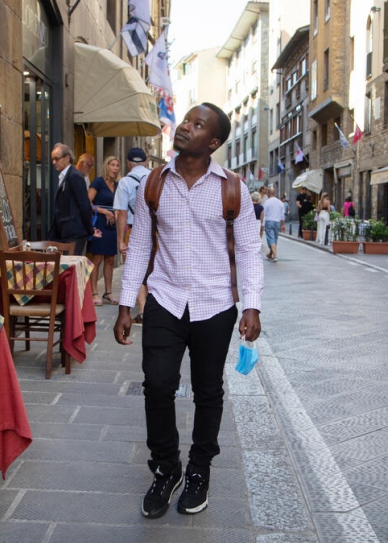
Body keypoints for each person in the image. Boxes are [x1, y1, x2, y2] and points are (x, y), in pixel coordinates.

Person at [113, 102, 262, 519]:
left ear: (213, 142)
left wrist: (251, 305)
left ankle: (199, 471)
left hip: (215, 304)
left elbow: (250, 248)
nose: (185, 127)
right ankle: (165, 468)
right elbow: (140, 244)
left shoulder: (232, 188)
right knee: (157, 386)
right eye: (186, 120)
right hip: (165, 299)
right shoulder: (154, 184)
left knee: (208, 390)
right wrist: (126, 304)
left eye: (197, 125)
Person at [114, 147, 152, 323]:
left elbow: (121, 212)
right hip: (154, 230)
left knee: (135, 267)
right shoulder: (154, 177)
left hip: (133, 228)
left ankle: (144, 310)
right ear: (145, 161)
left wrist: (121, 240)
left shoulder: (124, 182)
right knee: (153, 267)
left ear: (128, 163)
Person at [49, 143, 94, 255]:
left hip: (74, 232)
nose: (54, 162)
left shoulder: (74, 176)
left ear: (67, 158)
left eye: (56, 159)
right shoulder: (65, 175)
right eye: (52, 159)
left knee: (71, 266)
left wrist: (90, 229)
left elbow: (84, 205)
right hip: (64, 231)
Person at [88, 156, 120, 305]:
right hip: (99, 224)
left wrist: (116, 214)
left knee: (110, 259)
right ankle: (94, 293)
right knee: (97, 258)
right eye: (112, 165)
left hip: (112, 225)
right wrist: (104, 212)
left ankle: (108, 292)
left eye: (117, 165)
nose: (115, 168)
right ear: (106, 166)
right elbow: (87, 203)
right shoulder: (98, 182)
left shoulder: (118, 185)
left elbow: (120, 204)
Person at [263, 186, 284, 261]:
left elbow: (264, 213)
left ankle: (275, 256)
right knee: (275, 238)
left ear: (268, 193)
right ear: (274, 193)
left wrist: (262, 224)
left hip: (269, 221)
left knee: (271, 238)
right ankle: (270, 254)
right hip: (277, 222)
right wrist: (283, 224)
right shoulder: (280, 202)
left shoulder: (267, 202)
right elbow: (282, 215)